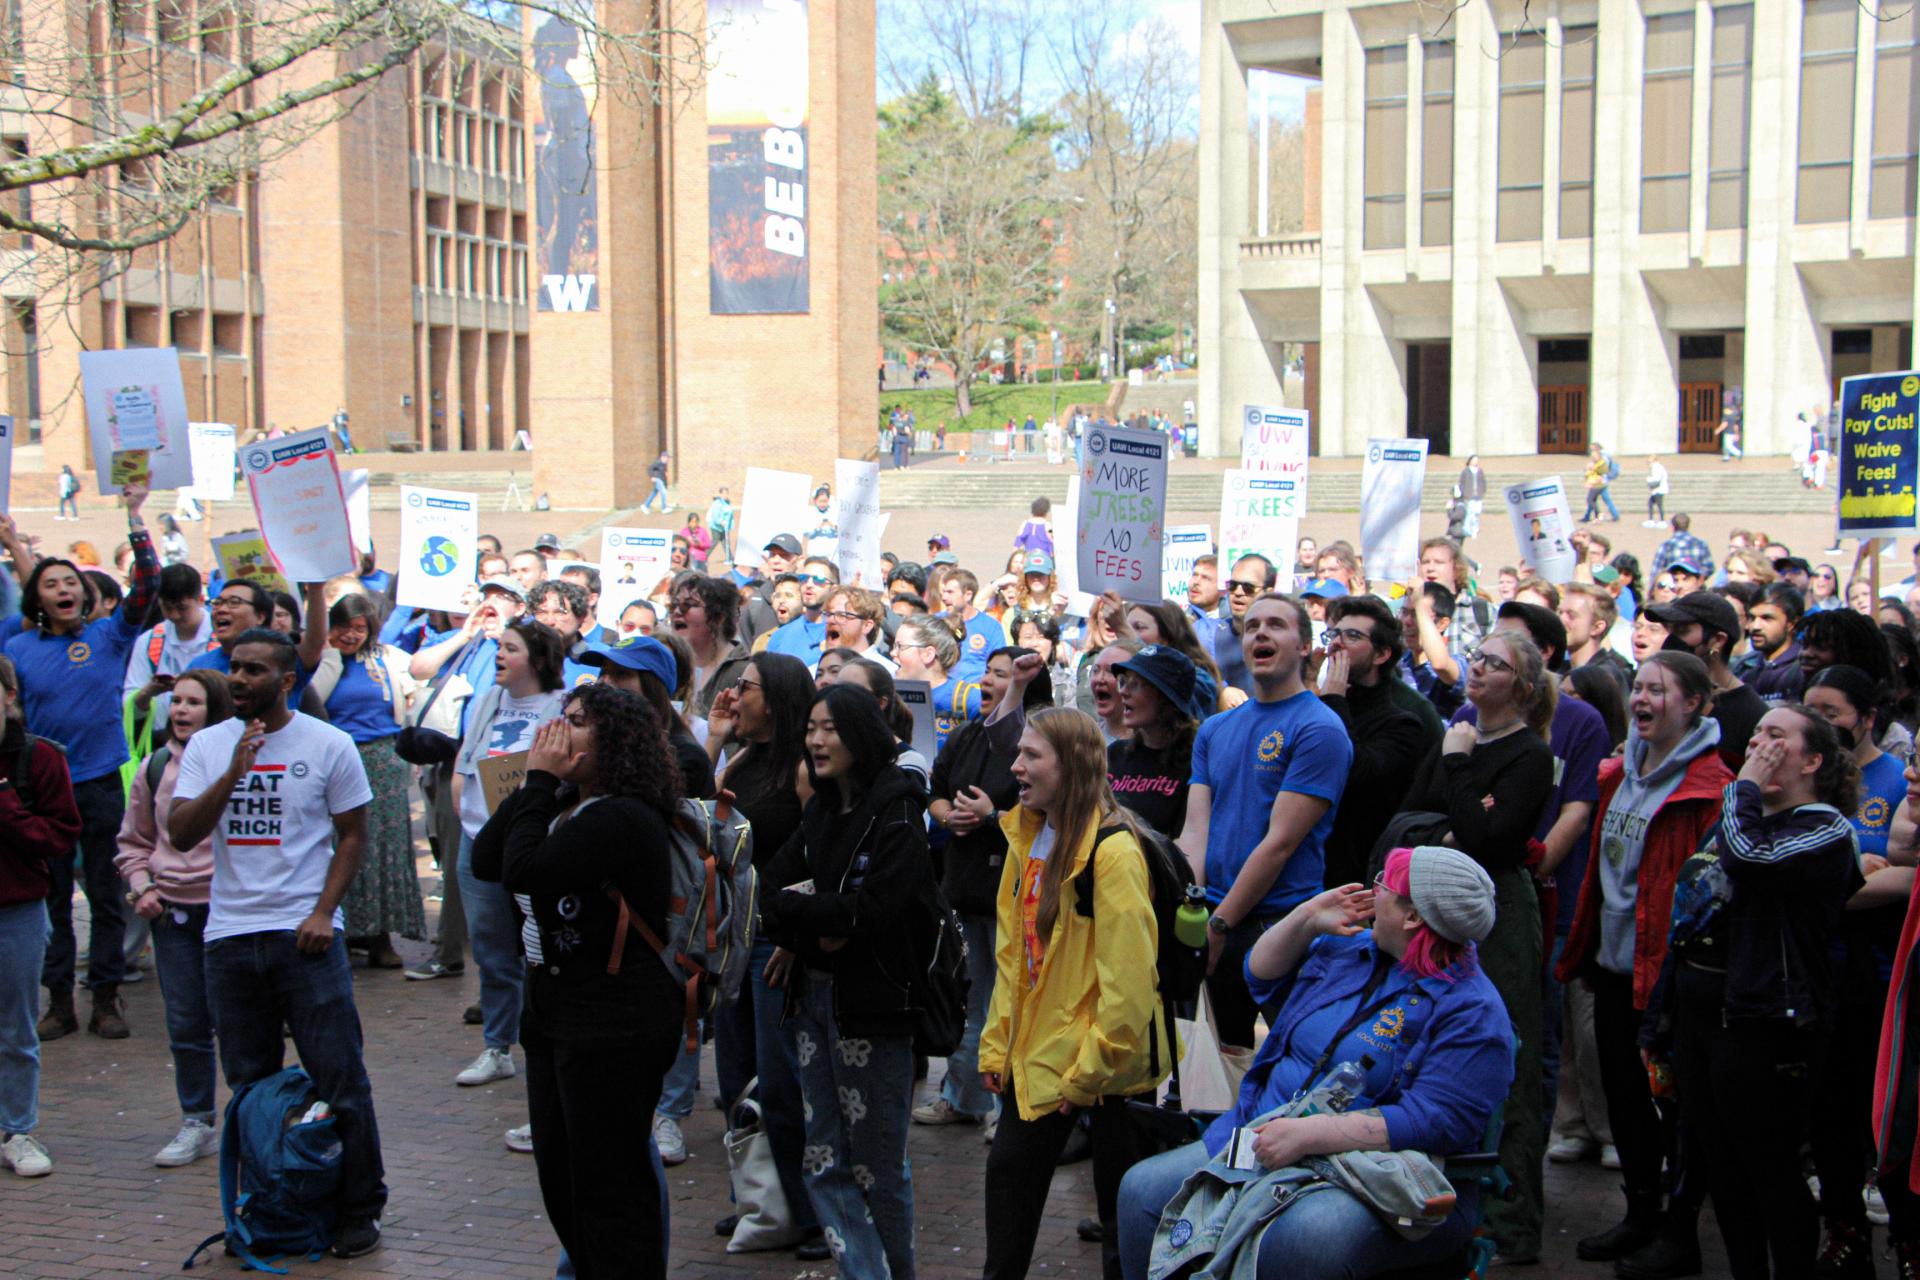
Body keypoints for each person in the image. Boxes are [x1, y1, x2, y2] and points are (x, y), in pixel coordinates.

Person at [1114, 846, 1514, 1280]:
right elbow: (1260, 977)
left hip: (1373, 1177)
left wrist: (1312, 1134)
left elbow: (1434, 1120)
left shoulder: (1473, 1011)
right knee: (1141, 1191)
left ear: (1413, 917)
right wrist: (1305, 918)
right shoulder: (1352, 950)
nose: (1373, 886)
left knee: (1303, 1238)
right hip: (1263, 1137)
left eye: (1385, 882)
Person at [167, 629, 386, 1258]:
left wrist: (324, 912)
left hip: (304, 938)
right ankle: (265, 1207)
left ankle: (358, 1210)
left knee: (340, 1077)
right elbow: (182, 834)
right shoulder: (210, 745)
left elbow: (352, 836)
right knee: (250, 1085)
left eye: (252, 670)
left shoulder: (329, 744)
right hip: (229, 938)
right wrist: (232, 771)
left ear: (286, 680)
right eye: (232, 668)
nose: (236, 679)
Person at [470, 683, 686, 1280]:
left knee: (609, 1186)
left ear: (615, 741)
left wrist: (539, 783)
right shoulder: (568, 804)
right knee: (564, 1179)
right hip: (555, 1013)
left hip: (615, 1020)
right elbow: (488, 860)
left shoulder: (624, 815)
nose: (560, 731)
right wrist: (541, 783)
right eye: (559, 719)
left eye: (579, 722)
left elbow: (527, 870)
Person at [978, 706, 1171, 1280]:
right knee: (1009, 1186)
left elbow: (1129, 983)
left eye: (1031, 754)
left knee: (1122, 1224)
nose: (1015, 766)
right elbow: (1014, 960)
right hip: (1042, 1053)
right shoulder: (1027, 833)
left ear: (1073, 765)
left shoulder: (1113, 851)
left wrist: (1091, 1071)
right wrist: (997, 1047)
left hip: (1109, 1065)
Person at [1669, 706, 1861, 1279]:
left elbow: (1750, 861)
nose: (1760, 746)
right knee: (1722, 1167)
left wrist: (1742, 788)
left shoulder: (1825, 829)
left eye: (1778, 738)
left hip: (1765, 1023)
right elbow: (1689, 914)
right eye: (1756, 736)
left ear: (1813, 760)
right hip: (1701, 1015)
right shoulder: (1738, 817)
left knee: (1769, 1169)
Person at [1557, 651, 1731, 1274]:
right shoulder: (1615, 775)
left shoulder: (1715, 791)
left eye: (1660, 690)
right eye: (1640, 687)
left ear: (1694, 704)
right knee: (1625, 1096)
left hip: (1668, 979)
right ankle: (1640, 1213)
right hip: (1612, 965)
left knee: (1678, 1108)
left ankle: (1679, 1231)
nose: (1643, 699)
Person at [758, 683, 935, 1280]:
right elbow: (770, 889)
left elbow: (875, 911)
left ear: (860, 730)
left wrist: (814, 911)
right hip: (813, 995)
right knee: (824, 1156)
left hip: (874, 1004)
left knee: (878, 1165)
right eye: (810, 727)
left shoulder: (900, 806)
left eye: (829, 727)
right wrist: (820, 921)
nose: (815, 739)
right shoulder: (821, 808)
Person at [1393, 626, 1556, 1262]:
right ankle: (1450, 1205)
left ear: (1520, 685)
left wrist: (1459, 770)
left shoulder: (1527, 755)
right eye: (1477, 656)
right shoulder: (1456, 731)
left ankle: (1513, 1222)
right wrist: (1457, 817)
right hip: (1430, 904)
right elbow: (1414, 819)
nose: (1477, 667)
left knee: (1505, 1053)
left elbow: (1490, 837)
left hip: (1500, 913)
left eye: (1494, 662)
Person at [7, 481, 159, 1041]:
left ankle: (106, 998)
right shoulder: (18, 650)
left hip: (99, 785)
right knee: (50, 897)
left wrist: (135, 518)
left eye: (71, 581)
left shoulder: (110, 637)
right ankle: (59, 1003)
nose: (64, 589)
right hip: (43, 791)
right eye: (51, 585)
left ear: (85, 592)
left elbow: (147, 590)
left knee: (104, 892)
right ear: (38, 600)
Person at [1176, 592, 1352, 1052]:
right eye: (1252, 626)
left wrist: (1219, 926)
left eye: (1276, 625)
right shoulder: (1216, 729)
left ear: (1304, 647)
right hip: (1214, 913)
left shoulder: (1320, 728)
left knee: (1295, 1062)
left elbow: (1280, 843)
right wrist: (1196, 912)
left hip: (1281, 923)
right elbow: (1195, 832)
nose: (1260, 633)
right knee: (1218, 1065)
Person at [698, 653, 828, 1257]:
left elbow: (818, 854)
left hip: (774, 940)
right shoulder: (740, 756)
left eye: (742, 688)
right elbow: (694, 819)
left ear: (773, 698)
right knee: (735, 1076)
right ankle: (757, 1199)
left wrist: (799, 939)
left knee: (779, 1081)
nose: (732, 696)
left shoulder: (803, 768)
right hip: (732, 939)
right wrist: (716, 738)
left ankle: (806, 1212)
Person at [916, 647, 1051, 1134]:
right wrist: (946, 815)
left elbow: (1041, 814)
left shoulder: (1036, 740)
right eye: (989, 672)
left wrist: (992, 816)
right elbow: (935, 786)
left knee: (1009, 1000)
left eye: (1002, 675)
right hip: (964, 884)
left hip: (1012, 891)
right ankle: (961, 1096)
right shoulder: (969, 734)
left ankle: (1004, 1109)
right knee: (968, 997)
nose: (989, 681)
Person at [1801, 666, 1908, 1275]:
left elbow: (1904, 876)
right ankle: (1843, 1239)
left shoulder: (1896, 780)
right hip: (1814, 975)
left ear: (1867, 718)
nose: (1820, 722)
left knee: (1881, 1116)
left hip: (1875, 975)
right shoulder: (1807, 775)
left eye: (1833, 711)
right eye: (1810, 708)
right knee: (1830, 1116)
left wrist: (1825, 884)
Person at [114, 668, 233, 1167]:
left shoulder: (236, 763)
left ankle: (255, 1118)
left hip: (230, 913)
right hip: (173, 917)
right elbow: (134, 842)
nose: (181, 711)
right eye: (177, 702)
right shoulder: (156, 765)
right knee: (186, 1024)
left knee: (242, 1022)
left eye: (194, 703)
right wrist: (142, 887)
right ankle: (197, 1120)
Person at [450, 618, 569, 1089]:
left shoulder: (559, 707)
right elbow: (465, 760)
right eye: (498, 647)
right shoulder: (486, 702)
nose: (499, 655)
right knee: (491, 945)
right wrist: (465, 817)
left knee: (539, 944)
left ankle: (545, 1040)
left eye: (511, 649)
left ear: (537, 660)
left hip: (532, 842)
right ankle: (497, 1046)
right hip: (480, 838)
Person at [0, 655, 81, 1179]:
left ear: (10, 696)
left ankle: (17, 1129)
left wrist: (5, 801)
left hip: (17, 912)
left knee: (15, 1029)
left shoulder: (39, 760)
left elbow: (59, 838)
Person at [313, 594, 424, 969]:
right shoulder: (321, 658)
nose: (351, 636)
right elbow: (312, 700)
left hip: (384, 760)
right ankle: (340, 930)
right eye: (345, 626)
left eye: (360, 628)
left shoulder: (386, 658)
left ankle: (380, 935)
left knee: (382, 847)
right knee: (338, 844)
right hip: (337, 759)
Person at [1315, 595, 1432, 888]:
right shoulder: (1322, 702)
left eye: (1353, 636)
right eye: (1335, 633)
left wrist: (1333, 699)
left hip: (1356, 878)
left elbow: (1352, 771)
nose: (1337, 643)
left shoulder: (1403, 722)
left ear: (1381, 655)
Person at [1646, 590, 1767, 772]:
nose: (1671, 641)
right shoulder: (1664, 697)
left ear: (1718, 640)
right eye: (1670, 631)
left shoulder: (1751, 714)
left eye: (1683, 631)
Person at [1106, 645, 1202, 839]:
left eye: (1135, 684)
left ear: (1166, 696)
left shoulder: (1196, 762)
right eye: (1122, 682)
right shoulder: (1115, 754)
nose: (1123, 692)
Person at [123, 563, 217, 753]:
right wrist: (148, 692)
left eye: (182, 608)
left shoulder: (220, 637)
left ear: (200, 599)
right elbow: (129, 701)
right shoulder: (149, 641)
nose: (174, 615)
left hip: (210, 741)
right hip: (161, 744)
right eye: (167, 608)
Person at [669, 575, 751, 718]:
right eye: (674, 605)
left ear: (719, 617)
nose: (677, 612)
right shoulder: (667, 664)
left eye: (689, 605)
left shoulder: (745, 671)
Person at [1212, 554, 1279, 695]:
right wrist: (1221, 690)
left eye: (1248, 587)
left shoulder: (1282, 642)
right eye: (1233, 585)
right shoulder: (1206, 634)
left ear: (1268, 593)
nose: (1238, 592)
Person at [763, 556, 838, 668]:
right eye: (803, 578)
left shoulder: (844, 633)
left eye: (819, 579)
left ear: (834, 588)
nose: (809, 584)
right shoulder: (779, 636)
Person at [937, 569, 1007, 682]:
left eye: (950, 592)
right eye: (943, 592)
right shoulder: (935, 623)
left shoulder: (990, 626)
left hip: (976, 692)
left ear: (968, 595)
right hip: (942, 692)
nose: (944, 597)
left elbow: (1001, 664)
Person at [1459, 453, 1486, 537]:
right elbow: (1461, 483)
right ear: (1470, 461)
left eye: (1477, 460)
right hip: (1469, 496)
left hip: (1478, 496)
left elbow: (1483, 482)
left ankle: (1476, 528)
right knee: (1471, 513)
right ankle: (1472, 530)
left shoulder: (1480, 471)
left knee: (1477, 513)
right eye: (1474, 460)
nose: (1475, 461)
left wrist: (1482, 491)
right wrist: (1464, 493)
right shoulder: (1465, 471)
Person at [1646, 454, 1671, 526]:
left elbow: (1657, 479)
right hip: (1658, 490)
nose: (1648, 463)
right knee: (1650, 503)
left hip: (1659, 490)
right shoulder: (1658, 467)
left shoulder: (1656, 467)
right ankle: (1651, 520)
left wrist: (1649, 479)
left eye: (1649, 461)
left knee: (1659, 505)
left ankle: (1662, 521)